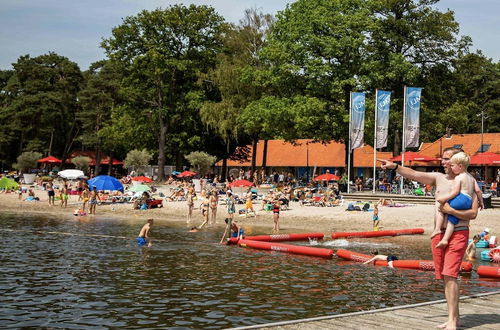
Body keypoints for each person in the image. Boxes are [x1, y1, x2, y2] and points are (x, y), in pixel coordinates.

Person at [379, 147, 479, 330]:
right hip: (439, 233)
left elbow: (473, 213)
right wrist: (395, 167)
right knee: (445, 277)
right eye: (443, 158)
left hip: (458, 232)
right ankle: (454, 317)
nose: (443, 162)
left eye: (447, 159)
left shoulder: (468, 182)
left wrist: (451, 211)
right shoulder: (438, 178)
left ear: (458, 161)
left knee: (451, 275)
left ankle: (452, 321)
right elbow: (414, 174)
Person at [433, 152, 483, 248]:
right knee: (452, 219)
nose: (451, 168)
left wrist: (444, 199)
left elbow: (455, 193)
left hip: (461, 198)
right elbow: (478, 191)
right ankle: (445, 239)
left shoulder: (459, 177)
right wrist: (481, 202)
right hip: (468, 201)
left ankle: (438, 229)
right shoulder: (471, 178)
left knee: (442, 208)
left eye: (452, 165)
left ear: (460, 166)